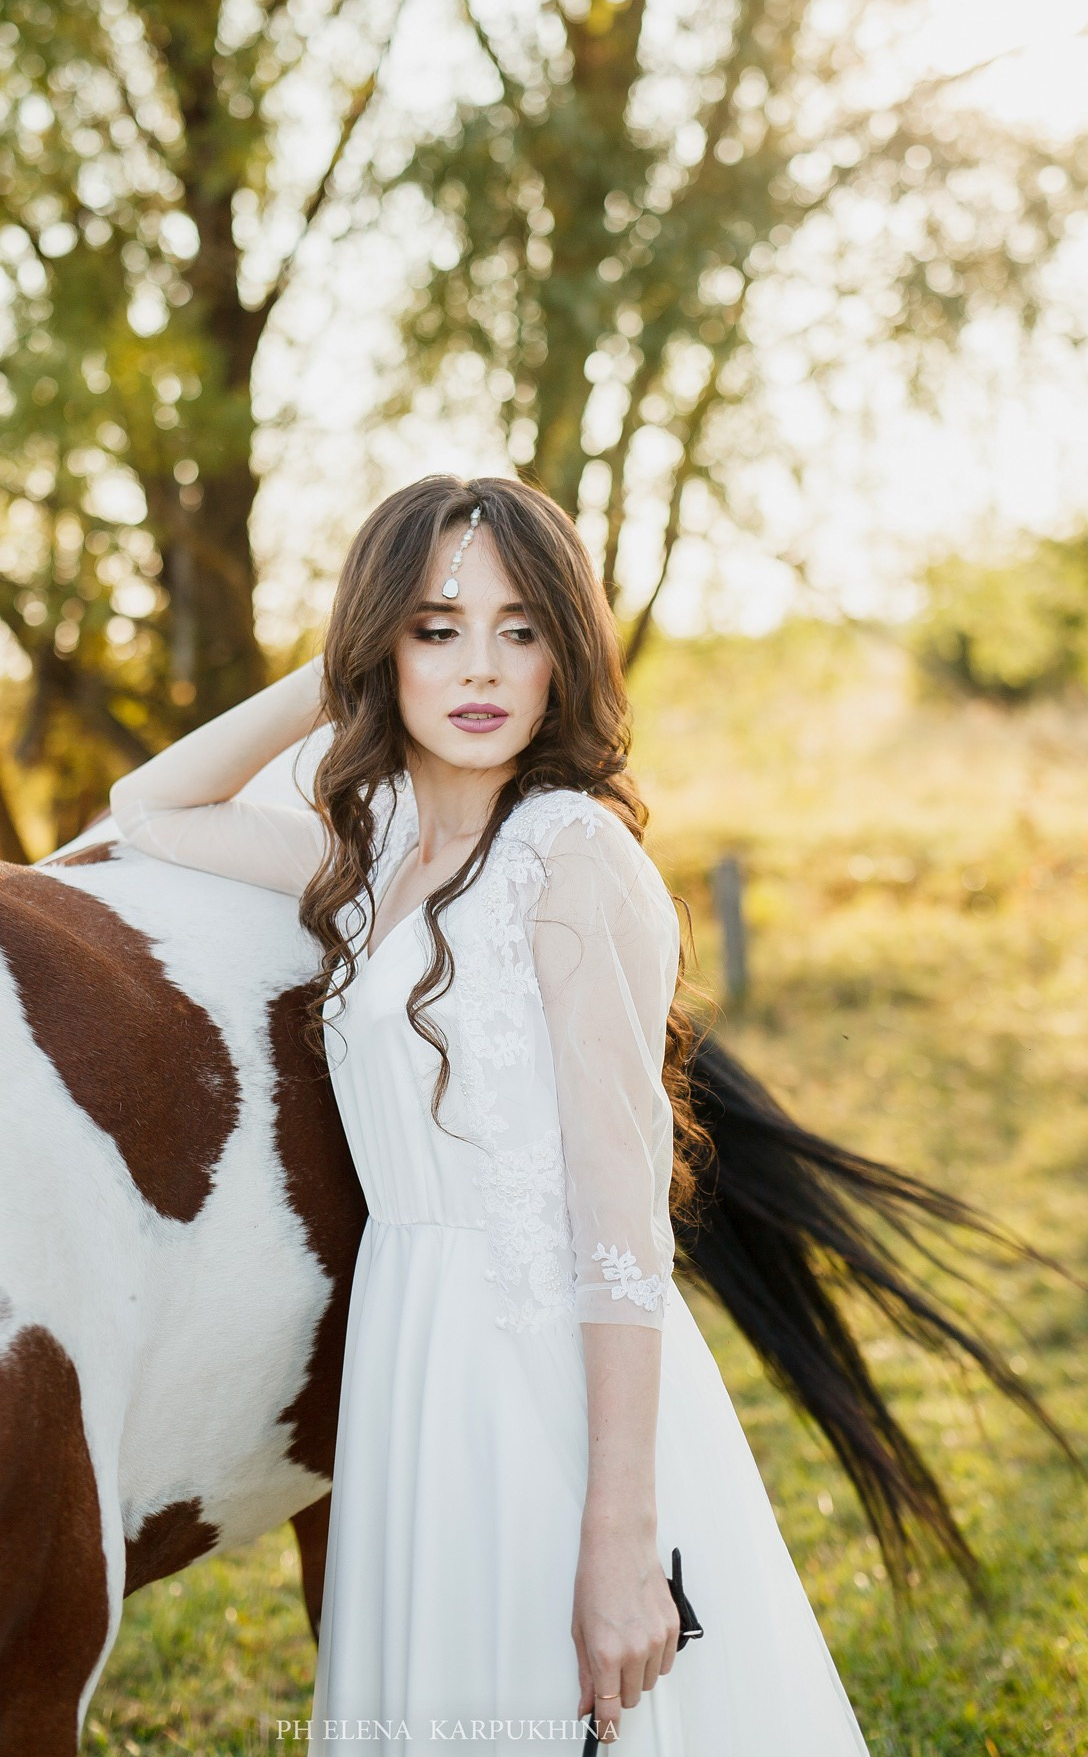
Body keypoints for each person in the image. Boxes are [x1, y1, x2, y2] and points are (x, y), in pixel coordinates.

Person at [108, 475, 868, 1756]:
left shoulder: (573, 857)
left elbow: (621, 1223)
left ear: (565, 654)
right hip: (411, 1358)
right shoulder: (365, 853)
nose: (481, 666)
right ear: (381, 647)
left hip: (548, 1374)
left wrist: (621, 1531)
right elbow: (151, 811)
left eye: (520, 629)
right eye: (434, 626)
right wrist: (333, 666)